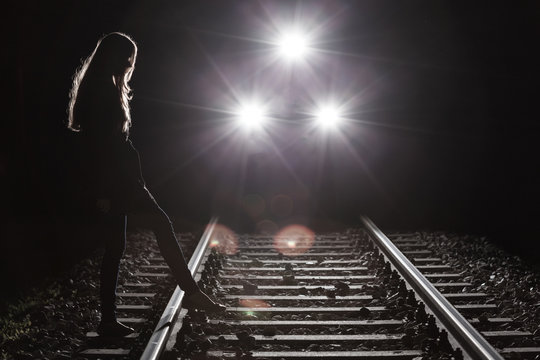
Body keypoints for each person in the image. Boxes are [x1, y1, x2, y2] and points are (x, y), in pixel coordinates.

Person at [67, 32, 225, 337]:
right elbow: (96, 149)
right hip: (116, 182)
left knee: (117, 247)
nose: (129, 63)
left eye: (131, 57)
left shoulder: (107, 86)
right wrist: (102, 192)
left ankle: (108, 320)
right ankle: (189, 293)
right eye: (125, 56)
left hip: (121, 180)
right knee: (157, 227)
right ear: (111, 56)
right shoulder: (101, 91)